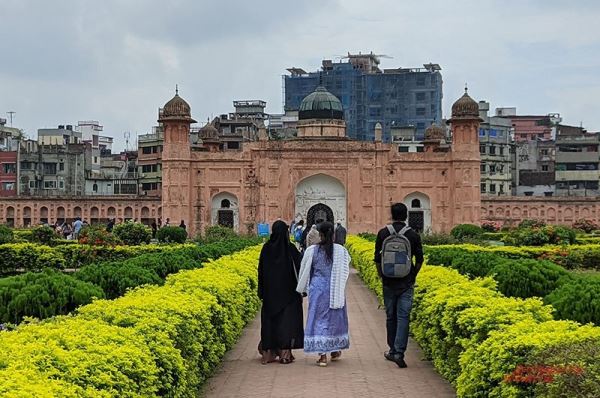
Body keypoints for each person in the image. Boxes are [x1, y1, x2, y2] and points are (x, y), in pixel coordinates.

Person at [374, 203, 423, 368]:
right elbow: (420, 259)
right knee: (403, 317)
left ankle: (392, 349)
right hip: (406, 283)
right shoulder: (413, 235)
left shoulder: (383, 233)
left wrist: (382, 275)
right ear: (406, 215)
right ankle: (399, 352)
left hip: (388, 282)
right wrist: (412, 276)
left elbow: (377, 258)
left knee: (390, 316)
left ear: (391, 215)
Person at [297, 221, 351, 367]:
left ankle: (322, 356)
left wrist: (304, 288)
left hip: (318, 289)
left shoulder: (312, 251)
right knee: (335, 318)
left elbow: (305, 270)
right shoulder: (340, 251)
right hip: (335, 288)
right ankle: (334, 349)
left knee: (318, 319)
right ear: (333, 234)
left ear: (319, 234)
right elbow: (345, 269)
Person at [257, 220, 304, 365]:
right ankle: (285, 354)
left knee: (270, 323)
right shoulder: (290, 249)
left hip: (270, 296)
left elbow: (261, 271)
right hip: (289, 295)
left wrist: (261, 291)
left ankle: (269, 353)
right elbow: (300, 269)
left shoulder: (266, 249)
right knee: (287, 324)